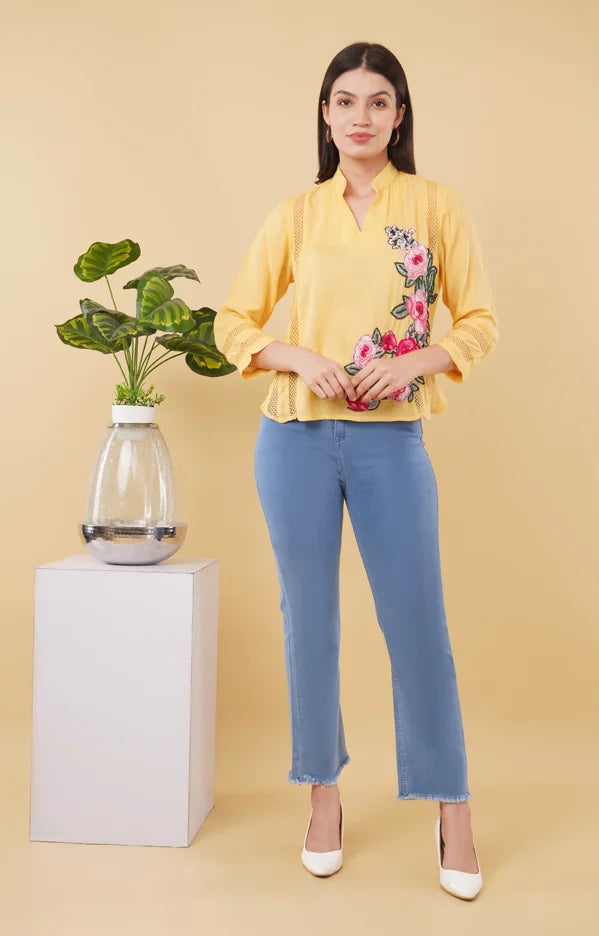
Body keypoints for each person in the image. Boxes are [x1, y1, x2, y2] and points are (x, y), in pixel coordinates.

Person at [213, 41, 497, 899]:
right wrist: (291, 353)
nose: (361, 116)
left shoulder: (435, 206)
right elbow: (233, 323)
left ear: (399, 114)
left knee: (417, 622)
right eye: (345, 101)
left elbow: (478, 320)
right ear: (326, 115)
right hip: (294, 439)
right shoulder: (296, 214)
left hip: (389, 440)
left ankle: (451, 806)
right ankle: (323, 796)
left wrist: (419, 364)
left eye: (378, 101)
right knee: (311, 621)